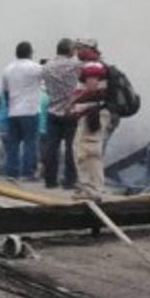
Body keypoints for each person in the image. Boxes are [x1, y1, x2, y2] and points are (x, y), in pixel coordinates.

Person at [70, 39, 110, 200]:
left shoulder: (92, 66)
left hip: (91, 114)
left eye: (79, 48)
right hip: (92, 113)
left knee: (87, 150)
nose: (77, 52)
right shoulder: (97, 65)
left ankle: (92, 188)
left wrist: (73, 101)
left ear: (88, 49)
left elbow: (92, 89)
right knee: (85, 150)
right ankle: (89, 187)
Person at [42, 38, 83, 190]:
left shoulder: (47, 66)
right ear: (70, 51)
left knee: (51, 147)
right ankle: (69, 181)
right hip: (71, 111)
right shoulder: (75, 65)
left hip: (52, 111)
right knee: (71, 148)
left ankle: (50, 180)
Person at [1, 41, 45, 181]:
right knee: (30, 142)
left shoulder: (7, 69)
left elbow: (6, 92)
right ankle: (27, 173)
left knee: (12, 144)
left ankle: (11, 172)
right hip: (30, 111)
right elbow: (47, 81)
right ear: (30, 53)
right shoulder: (36, 68)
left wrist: (10, 106)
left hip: (13, 111)